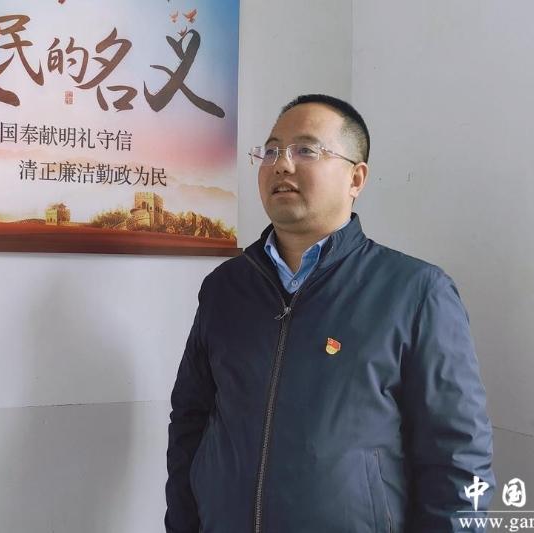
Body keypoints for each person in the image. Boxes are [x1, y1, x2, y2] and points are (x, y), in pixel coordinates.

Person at [165, 94, 495, 533]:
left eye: (306, 150)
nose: (282, 164)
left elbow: (458, 455)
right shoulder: (225, 288)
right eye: (271, 151)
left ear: (356, 178)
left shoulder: (416, 292)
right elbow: (190, 422)